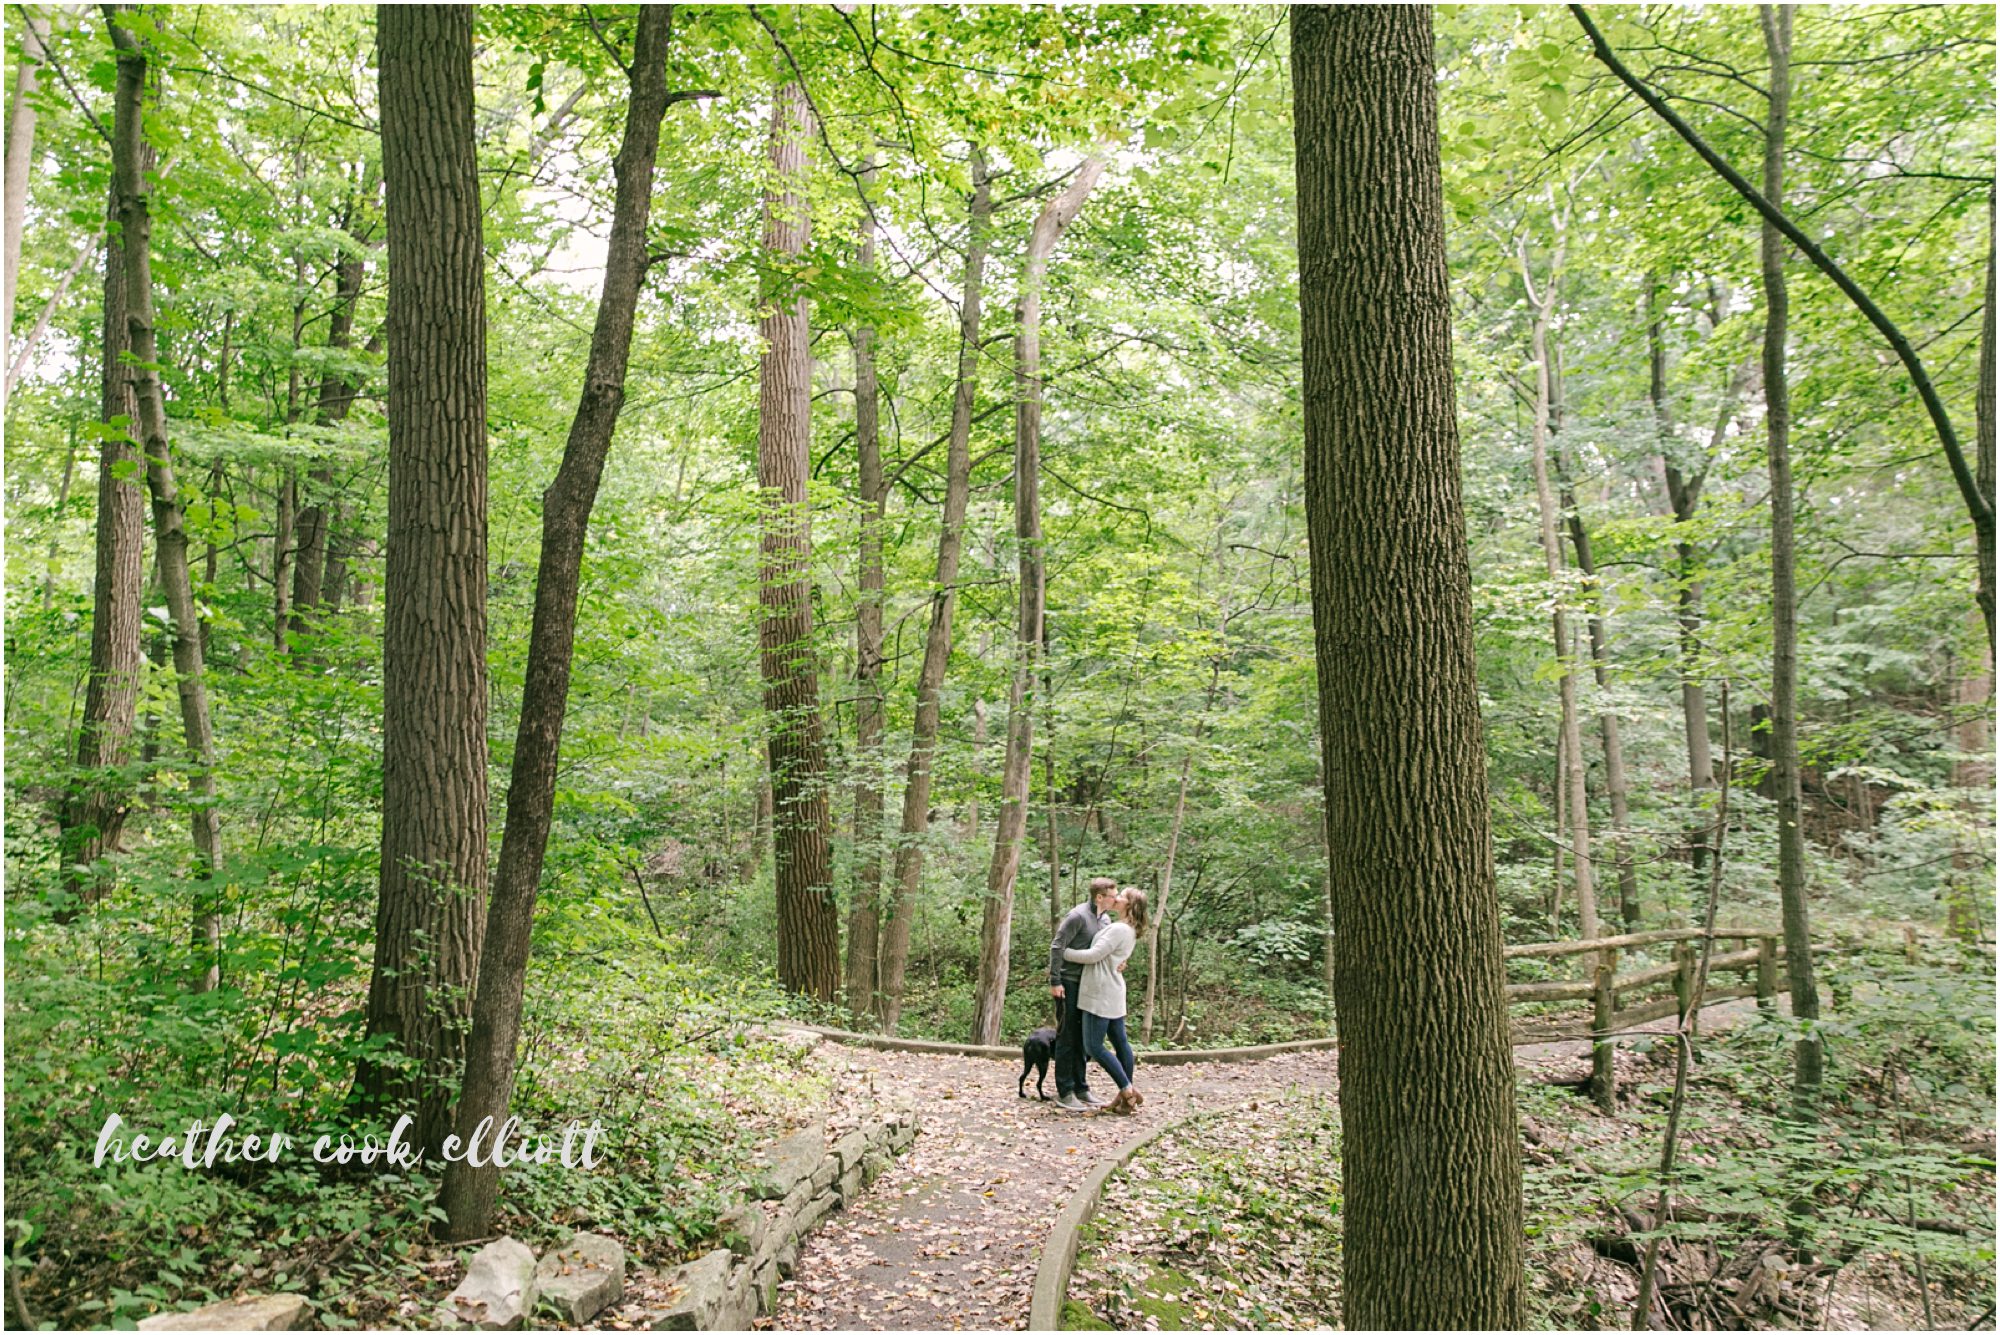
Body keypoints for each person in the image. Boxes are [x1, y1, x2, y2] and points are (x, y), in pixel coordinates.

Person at [1064, 888, 1149, 1115]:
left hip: (1100, 992)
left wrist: (1064, 952)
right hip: (1112, 989)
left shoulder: (1120, 929)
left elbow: (1094, 955)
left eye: (1122, 896)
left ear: (1129, 905)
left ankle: (1127, 1090)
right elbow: (1113, 956)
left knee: (1093, 1045)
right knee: (1120, 1042)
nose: (1116, 897)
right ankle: (1123, 1099)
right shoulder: (1124, 928)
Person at [1049, 877, 1118, 1112]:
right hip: (1068, 982)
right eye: (1112, 896)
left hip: (1089, 986)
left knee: (1082, 1037)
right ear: (1099, 897)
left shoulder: (1106, 919)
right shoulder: (1077, 916)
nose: (1115, 899)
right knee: (1067, 1035)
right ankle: (1064, 1090)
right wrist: (1055, 980)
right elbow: (1057, 946)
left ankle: (1081, 1087)